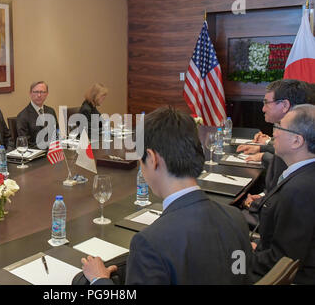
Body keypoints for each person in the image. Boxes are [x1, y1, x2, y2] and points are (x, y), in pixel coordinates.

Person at [82, 107, 253, 285]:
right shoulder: (236, 218)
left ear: (152, 158)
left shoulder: (150, 244)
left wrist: (99, 280)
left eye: (141, 161)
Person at [250, 104, 315, 284]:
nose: (274, 134)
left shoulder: (301, 190)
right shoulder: (304, 174)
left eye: (279, 127)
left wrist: (241, 256)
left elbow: (282, 261)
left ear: (297, 141)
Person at [237, 79, 310, 212]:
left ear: (284, 105)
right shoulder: (297, 135)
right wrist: (263, 196)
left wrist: (251, 205)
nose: (263, 108)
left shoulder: (293, 147)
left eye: (266, 103)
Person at [16, 81, 57, 148]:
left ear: (47, 94)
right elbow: (26, 143)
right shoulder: (22, 116)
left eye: (42, 92)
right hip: (36, 153)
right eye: (36, 92)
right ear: (30, 93)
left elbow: (56, 133)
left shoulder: (51, 111)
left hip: (53, 151)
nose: (39, 95)